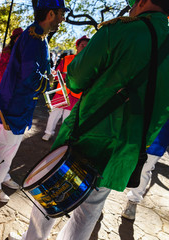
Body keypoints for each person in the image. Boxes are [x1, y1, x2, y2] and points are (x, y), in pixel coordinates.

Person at [9, 0, 169, 239]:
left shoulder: (120, 29)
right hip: (127, 148)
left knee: (54, 191)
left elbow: (75, 79)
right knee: (89, 210)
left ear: (144, 2)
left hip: (88, 134)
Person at [0, 0, 68, 203]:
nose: (63, 18)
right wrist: (47, 80)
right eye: (60, 13)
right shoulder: (35, 38)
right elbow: (30, 77)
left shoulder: (38, 36)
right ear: (50, 14)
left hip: (19, 103)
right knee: (6, 145)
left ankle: (1, 175)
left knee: (10, 144)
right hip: (16, 104)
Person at [42, 35, 90, 141]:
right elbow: (57, 73)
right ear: (77, 46)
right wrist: (56, 74)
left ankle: (62, 137)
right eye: (82, 45)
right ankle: (48, 133)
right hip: (61, 92)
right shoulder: (66, 59)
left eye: (87, 46)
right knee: (53, 115)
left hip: (76, 95)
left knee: (67, 119)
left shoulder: (89, 63)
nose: (84, 48)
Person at [122, 119, 169, 220]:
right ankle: (99, 196)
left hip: (159, 135)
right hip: (135, 125)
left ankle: (133, 201)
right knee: (119, 161)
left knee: (144, 169)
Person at [0, 27, 24, 132]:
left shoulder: (22, 50)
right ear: (14, 38)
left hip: (14, 83)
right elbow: (3, 67)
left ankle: (4, 123)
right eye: (19, 37)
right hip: (4, 81)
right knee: (1, 104)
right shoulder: (7, 50)